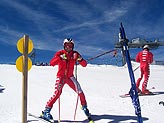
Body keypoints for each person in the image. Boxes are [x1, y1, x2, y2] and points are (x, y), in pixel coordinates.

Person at [40, 38, 91, 121]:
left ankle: (84, 107)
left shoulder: (75, 53)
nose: (68, 47)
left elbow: (84, 64)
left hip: (70, 77)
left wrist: (79, 59)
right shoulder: (60, 53)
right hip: (61, 77)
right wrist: (60, 58)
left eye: (70, 46)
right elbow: (52, 63)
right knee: (57, 93)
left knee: (80, 92)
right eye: (67, 45)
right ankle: (46, 111)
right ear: (64, 46)